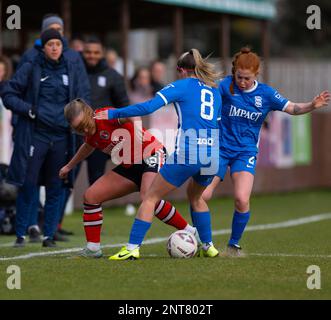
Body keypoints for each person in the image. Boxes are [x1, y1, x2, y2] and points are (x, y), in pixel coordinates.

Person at [94, 48, 222, 260]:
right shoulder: (214, 91)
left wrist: (114, 113)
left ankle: (132, 247)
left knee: (150, 197)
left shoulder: (181, 85)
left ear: (181, 70)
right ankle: (208, 246)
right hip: (212, 156)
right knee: (197, 197)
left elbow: (148, 107)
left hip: (189, 153)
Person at [202, 47, 331, 256]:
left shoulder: (267, 94)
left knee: (242, 199)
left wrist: (312, 105)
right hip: (220, 149)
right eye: (239, 77)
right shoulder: (225, 86)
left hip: (245, 152)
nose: (242, 82)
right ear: (234, 72)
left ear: (256, 74)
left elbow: (292, 108)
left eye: (246, 78)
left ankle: (233, 244)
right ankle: (201, 240)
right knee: (203, 195)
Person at [59, 98, 198, 258]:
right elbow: (88, 145)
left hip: (151, 154)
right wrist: (69, 166)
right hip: (130, 165)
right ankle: (93, 248)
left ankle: (190, 231)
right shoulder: (89, 133)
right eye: (79, 129)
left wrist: (138, 127)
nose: (85, 130)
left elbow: (133, 114)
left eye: (85, 124)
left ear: (90, 113)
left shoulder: (105, 116)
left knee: (148, 197)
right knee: (91, 196)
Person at [2, 29, 90, 248]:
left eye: (57, 44)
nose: (54, 48)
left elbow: (82, 98)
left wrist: (79, 118)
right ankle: (21, 234)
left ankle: (48, 235)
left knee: (56, 186)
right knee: (28, 185)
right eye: (50, 44)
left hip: (61, 137)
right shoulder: (31, 67)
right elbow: (8, 93)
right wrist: (29, 110)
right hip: (35, 136)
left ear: (62, 47)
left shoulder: (71, 69)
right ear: (43, 47)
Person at [82, 37, 131, 185]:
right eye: (88, 52)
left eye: (96, 52)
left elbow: (124, 107)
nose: (92, 55)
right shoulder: (77, 73)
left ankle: (95, 207)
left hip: (99, 135)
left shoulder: (113, 76)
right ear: (83, 53)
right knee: (67, 176)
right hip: (75, 134)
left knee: (95, 179)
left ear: (102, 53)